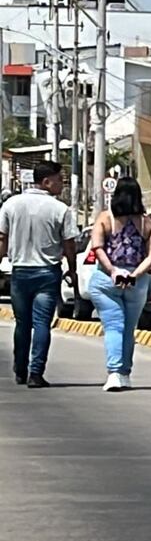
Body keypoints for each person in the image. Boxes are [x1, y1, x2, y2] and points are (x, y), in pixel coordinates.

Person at [0, 161, 78, 388]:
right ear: (46, 182)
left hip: (20, 272)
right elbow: (69, 244)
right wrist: (72, 271)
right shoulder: (60, 209)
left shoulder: (11, 205)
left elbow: (2, 239)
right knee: (42, 323)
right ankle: (36, 372)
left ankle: (20, 369)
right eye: (59, 180)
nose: (61, 185)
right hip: (47, 273)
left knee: (22, 323)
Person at [86, 177, 151, 392]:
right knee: (128, 328)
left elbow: (97, 247)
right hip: (136, 280)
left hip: (106, 280)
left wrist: (113, 271)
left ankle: (115, 372)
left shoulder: (104, 218)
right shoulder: (147, 222)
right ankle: (124, 373)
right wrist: (134, 275)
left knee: (113, 326)